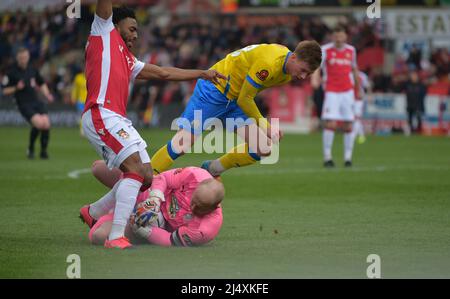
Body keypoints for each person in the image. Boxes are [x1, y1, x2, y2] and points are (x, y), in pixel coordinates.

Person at [79, 0, 225, 249]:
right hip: (101, 113)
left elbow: (163, 73)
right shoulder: (103, 32)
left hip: (116, 117)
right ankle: (115, 238)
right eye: (132, 28)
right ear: (116, 24)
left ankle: (93, 212)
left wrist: (201, 73)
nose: (136, 34)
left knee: (146, 176)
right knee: (135, 171)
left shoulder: (128, 59)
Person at [151, 42, 322, 176]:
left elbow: (246, 95)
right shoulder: (270, 63)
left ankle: (211, 169)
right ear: (294, 57)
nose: (302, 76)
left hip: (235, 100)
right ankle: (145, 179)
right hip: (214, 90)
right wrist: (266, 126)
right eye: (303, 70)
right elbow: (246, 98)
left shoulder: (287, 73)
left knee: (262, 148)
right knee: (183, 143)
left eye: (308, 74)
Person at [87, 161, 224, 247]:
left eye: (200, 206)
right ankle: (105, 210)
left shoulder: (205, 229)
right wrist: (155, 198)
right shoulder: (194, 175)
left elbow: (171, 240)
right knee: (99, 167)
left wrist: (143, 231)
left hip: (154, 224)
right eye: (194, 201)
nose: (193, 207)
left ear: (214, 207)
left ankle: (108, 213)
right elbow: (163, 178)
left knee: (98, 236)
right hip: (151, 195)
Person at [312, 26, 361, 168]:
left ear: (345, 37)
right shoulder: (325, 50)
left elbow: (354, 69)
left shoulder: (351, 51)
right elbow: (317, 67)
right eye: (336, 36)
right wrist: (315, 79)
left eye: (341, 36)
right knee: (330, 123)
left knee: (348, 125)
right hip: (332, 91)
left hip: (348, 91)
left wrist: (359, 89)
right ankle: (327, 157)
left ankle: (348, 158)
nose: (339, 39)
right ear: (332, 37)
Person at [2, 47, 54, 159]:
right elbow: (4, 90)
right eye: (21, 57)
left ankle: (43, 152)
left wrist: (47, 94)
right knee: (39, 124)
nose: (23, 59)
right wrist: (16, 87)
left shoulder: (32, 69)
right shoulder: (12, 72)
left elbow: (41, 83)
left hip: (36, 101)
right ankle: (30, 148)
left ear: (28, 57)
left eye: (25, 57)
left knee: (46, 124)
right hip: (23, 104)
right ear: (17, 58)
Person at [352, 70, 372, 144]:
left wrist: (370, 95)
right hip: (349, 99)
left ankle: (352, 136)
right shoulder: (346, 74)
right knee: (354, 118)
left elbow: (368, 86)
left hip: (358, 99)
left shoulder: (362, 75)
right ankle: (362, 135)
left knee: (356, 118)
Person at [71, 67, 87, 136]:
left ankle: (86, 129)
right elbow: (75, 89)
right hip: (80, 101)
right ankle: (82, 130)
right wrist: (73, 97)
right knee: (81, 115)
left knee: (87, 117)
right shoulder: (78, 78)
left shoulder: (91, 76)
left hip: (88, 101)